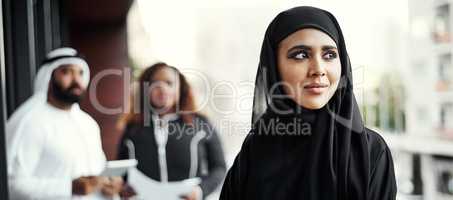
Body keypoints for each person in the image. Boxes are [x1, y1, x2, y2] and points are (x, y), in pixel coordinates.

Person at [220, 6, 397, 200]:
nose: (319, 69)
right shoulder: (255, 150)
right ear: (273, 66)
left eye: (329, 55)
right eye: (301, 55)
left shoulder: (370, 151)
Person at [6, 47, 123, 199]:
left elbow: (98, 173)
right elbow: (12, 185)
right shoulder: (30, 122)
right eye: (67, 72)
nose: (76, 80)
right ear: (48, 78)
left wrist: (110, 184)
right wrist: (69, 187)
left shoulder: (88, 123)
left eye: (80, 73)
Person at [117, 62, 226, 200]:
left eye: (169, 83)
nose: (161, 88)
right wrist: (121, 187)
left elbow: (219, 167)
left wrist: (200, 191)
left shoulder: (200, 124)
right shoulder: (133, 128)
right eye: (154, 83)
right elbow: (120, 172)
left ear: (181, 89)